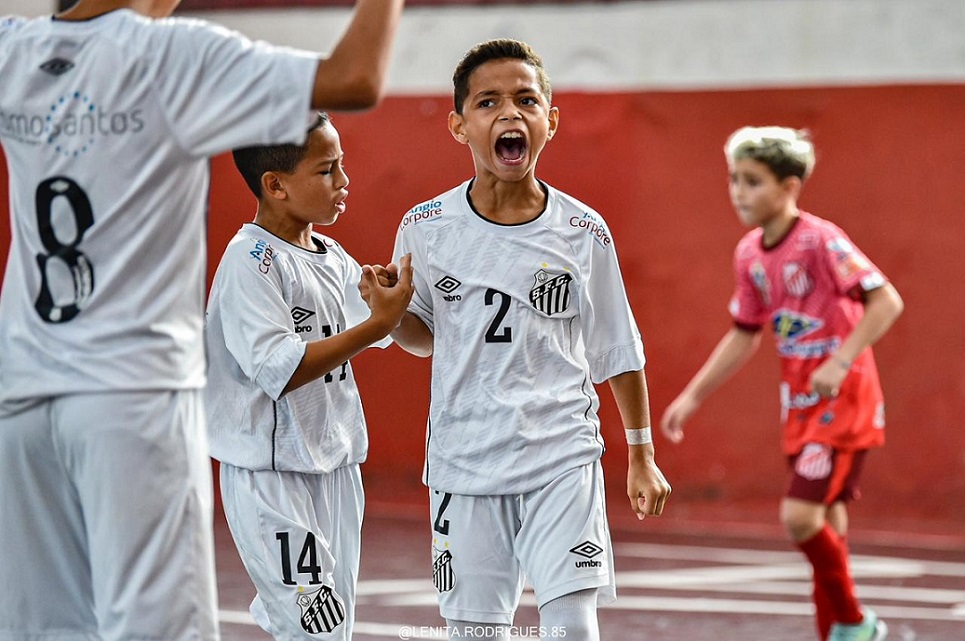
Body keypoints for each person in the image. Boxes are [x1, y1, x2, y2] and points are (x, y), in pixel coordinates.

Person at [0, 1, 404, 640]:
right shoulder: (172, 55)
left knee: (48, 626)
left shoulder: (13, 48)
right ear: (275, 184)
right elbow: (356, 77)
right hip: (131, 394)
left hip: (24, 381)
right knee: (163, 628)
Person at [370, 39, 671, 639]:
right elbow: (424, 336)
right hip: (465, 459)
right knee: (476, 632)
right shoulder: (425, 227)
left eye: (526, 100)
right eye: (488, 102)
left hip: (561, 453)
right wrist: (389, 316)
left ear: (549, 121)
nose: (510, 114)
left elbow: (617, 347)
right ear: (459, 125)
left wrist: (642, 454)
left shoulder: (583, 230)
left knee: (573, 627)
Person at [660, 126, 902, 641]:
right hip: (798, 404)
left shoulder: (821, 239)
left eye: (752, 181)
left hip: (843, 401)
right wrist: (693, 395)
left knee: (798, 517)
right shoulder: (749, 254)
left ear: (790, 186)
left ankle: (859, 624)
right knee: (827, 526)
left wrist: (840, 360)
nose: (738, 192)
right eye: (733, 180)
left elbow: (886, 301)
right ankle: (835, 631)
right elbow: (744, 334)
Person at [204, 112, 413, 640]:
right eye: (327, 171)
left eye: (341, 166)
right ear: (275, 185)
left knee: (331, 631)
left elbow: (377, 325)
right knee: (312, 627)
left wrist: (385, 300)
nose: (344, 183)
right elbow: (285, 367)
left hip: (336, 468)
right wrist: (376, 324)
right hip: (272, 476)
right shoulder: (250, 261)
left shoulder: (332, 254)